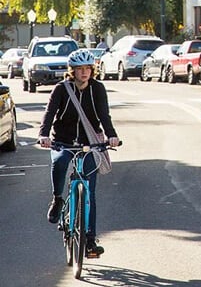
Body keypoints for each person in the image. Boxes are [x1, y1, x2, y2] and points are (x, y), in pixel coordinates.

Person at [38, 49, 120, 259]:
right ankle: (57, 200)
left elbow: (104, 116)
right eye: (79, 69)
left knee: (89, 192)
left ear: (93, 70)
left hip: (89, 144)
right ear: (72, 71)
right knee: (61, 163)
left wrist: (111, 136)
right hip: (62, 141)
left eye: (88, 69)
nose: (84, 73)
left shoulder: (98, 89)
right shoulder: (61, 89)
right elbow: (49, 114)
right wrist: (43, 135)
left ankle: (90, 240)